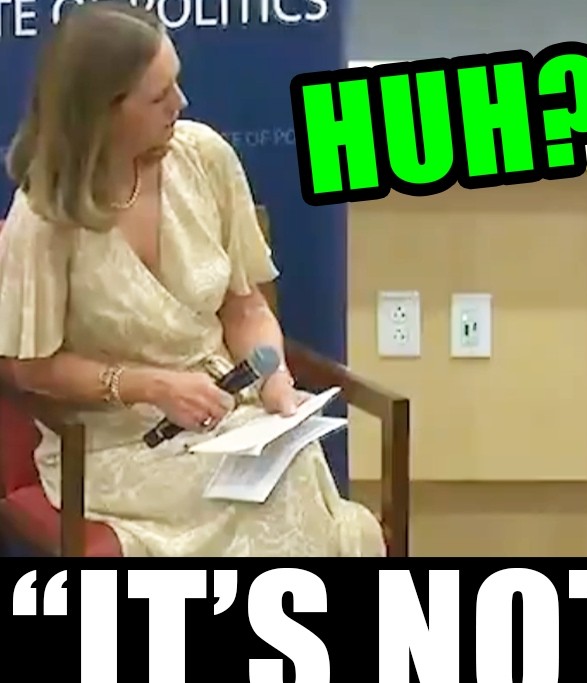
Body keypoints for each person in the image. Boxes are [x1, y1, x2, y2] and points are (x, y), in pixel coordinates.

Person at [0, 2, 385, 556]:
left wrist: (273, 378)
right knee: (269, 501)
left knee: (294, 467)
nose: (180, 103)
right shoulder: (44, 215)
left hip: (226, 416)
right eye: (159, 96)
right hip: (117, 444)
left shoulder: (204, 158)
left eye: (176, 83)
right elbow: (31, 367)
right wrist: (152, 386)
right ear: (103, 112)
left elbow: (245, 308)